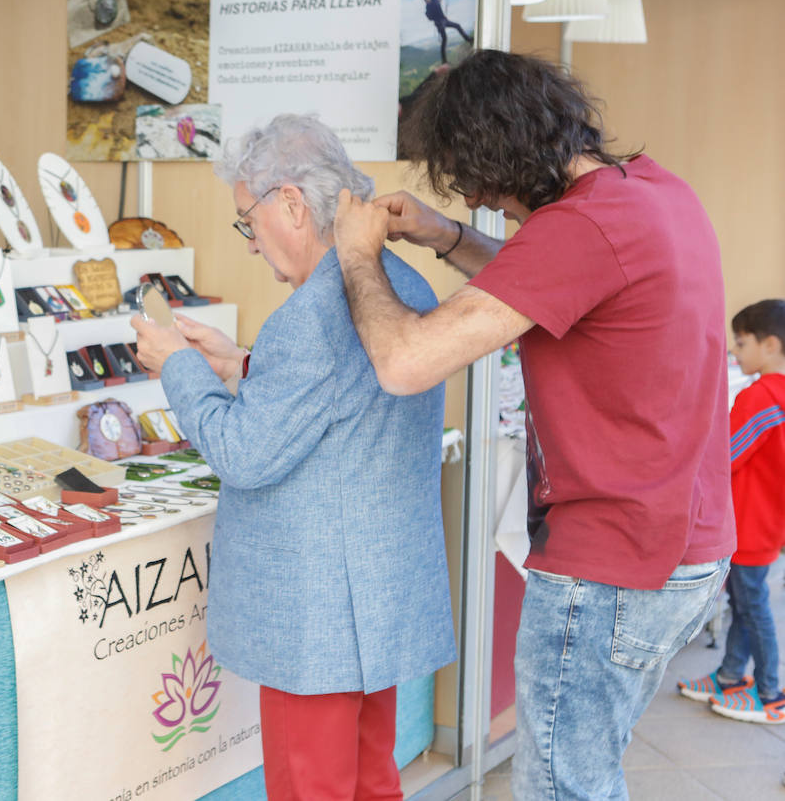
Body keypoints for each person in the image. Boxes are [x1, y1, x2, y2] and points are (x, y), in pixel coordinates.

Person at [332, 49, 734, 800]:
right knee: (589, 774)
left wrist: (359, 258)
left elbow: (404, 362)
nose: (485, 202)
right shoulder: (650, 191)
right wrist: (447, 235)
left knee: (563, 788)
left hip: (613, 563)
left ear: (498, 160)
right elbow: (551, 280)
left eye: (480, 186)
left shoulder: (577, 231)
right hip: (686, 545)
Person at [131, 113, 454, 800]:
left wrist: (178, 367)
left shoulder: (310, 316)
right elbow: (343, 404)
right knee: (372, 782)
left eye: (247, 222)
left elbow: (242, 452)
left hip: (321, 617)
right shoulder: (403, 283)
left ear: (292, 204)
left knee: (315, 790)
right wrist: (243, 363)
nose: (251, 245)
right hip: (373, 603)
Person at [678, 299, 785, 723]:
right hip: (765, 523)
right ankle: (729, 676)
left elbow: (724, 455)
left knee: (752, 607)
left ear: (771, 344)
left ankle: (771, 692)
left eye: (741, 344)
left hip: (749, 525)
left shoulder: (762, 396)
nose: (735, 354)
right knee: (744, 603)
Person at [414, 0, 471, 64]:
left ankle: (468, 39)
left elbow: (440, 0)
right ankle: (444, 61)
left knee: (457, 26)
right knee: (444, 38)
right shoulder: (430, 1)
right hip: (439, 22)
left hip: (444, 20)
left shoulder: (437, 0)